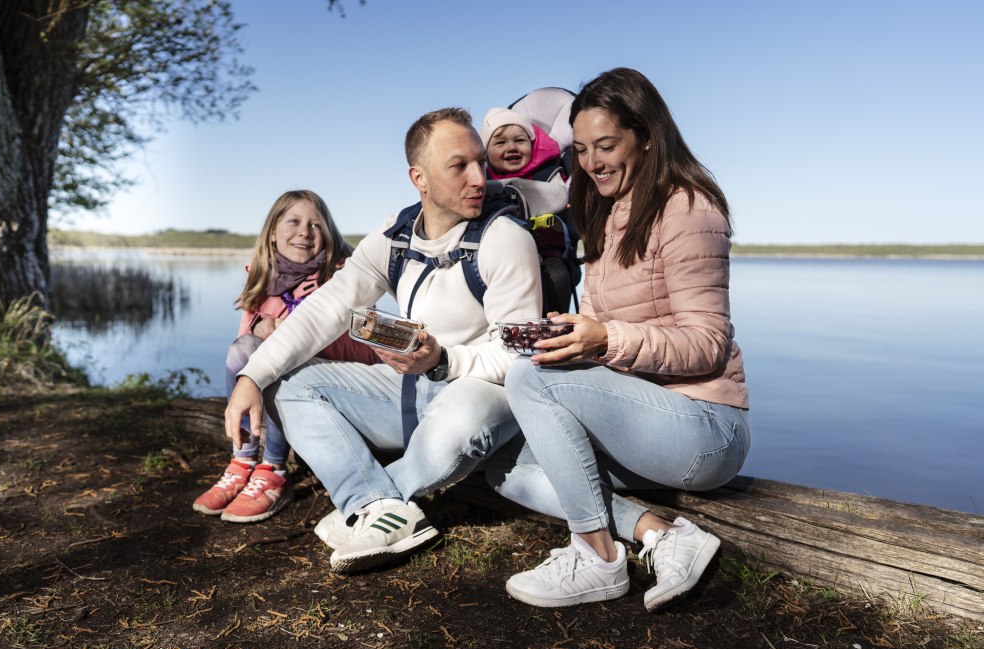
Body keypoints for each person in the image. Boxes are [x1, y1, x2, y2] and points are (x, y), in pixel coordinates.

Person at [224, 108, 542, 573]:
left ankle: (364, 507)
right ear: (420, 178)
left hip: (483, 396)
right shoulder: (393, 238)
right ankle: (376, 506)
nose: (480, 178)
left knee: (465, 410)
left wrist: (443, 360)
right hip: (414, 394)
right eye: (459, 166)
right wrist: (252, 375)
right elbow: (325, 311)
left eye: (480, 162)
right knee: (288, 383)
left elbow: (519, 353)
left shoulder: (505, 239)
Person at [486, 67, 750, 611]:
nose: (591, 163)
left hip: (704, 427)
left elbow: (707, 343)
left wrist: (604, 339)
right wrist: (574, 338)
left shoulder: (688, 209)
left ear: (647, 135)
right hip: (642, 417)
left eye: (606, 145)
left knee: (530, 378)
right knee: (508, 462)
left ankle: (597, 557)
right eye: (581, 149)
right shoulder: (606, 216)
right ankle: (662, 533)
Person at [193, 190, 379, 523]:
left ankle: (274, 469)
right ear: (274, 231)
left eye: (315, 225)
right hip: (286, 382)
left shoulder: (344, 276)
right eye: (293, 221)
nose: (304, 232)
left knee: (283, 354)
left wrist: (301, 337)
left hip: (339, 381)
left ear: (328, 234)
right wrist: (265, 334)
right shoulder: (262, 277)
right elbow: (243, 353)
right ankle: (243, 461)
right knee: (245, 349)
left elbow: (368, 348)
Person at [480, 107, 567, 185]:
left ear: (532, 144)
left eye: (520, 140)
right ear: (486, 152)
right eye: (501, 143)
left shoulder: (549, 175)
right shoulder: (481, 181)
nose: (512, 148)